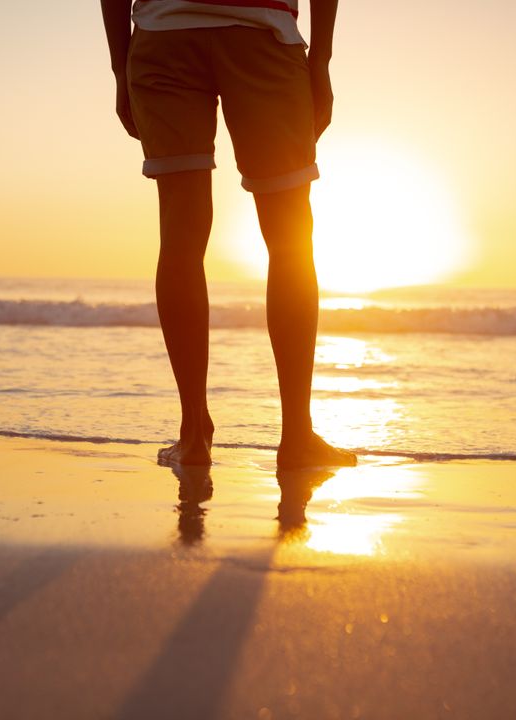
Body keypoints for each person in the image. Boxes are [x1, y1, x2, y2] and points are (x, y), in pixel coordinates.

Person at [100, 0, 356, 469]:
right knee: (290, 239)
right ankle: (296, 435)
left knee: (181, 235)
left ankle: (194, 434)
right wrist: (319, 60)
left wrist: (120, 65)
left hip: (165, 35)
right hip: (261, 34)